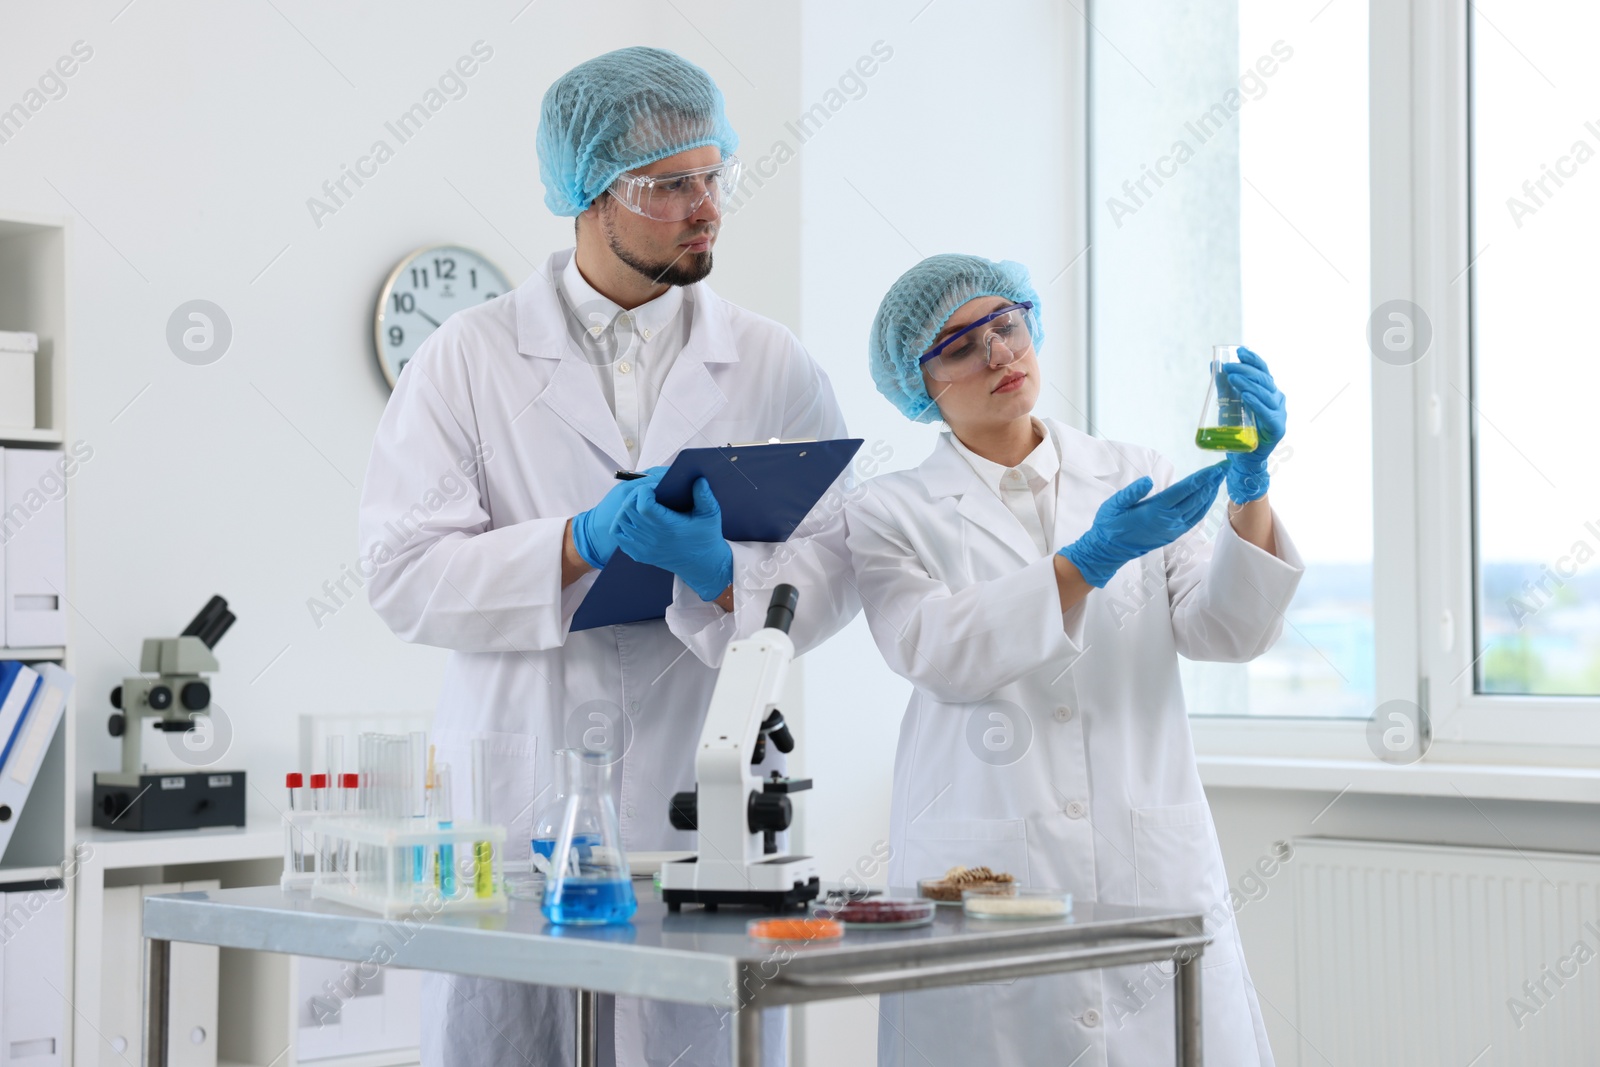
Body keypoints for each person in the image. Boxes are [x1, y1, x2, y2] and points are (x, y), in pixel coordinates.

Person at [358, 47, 857, 1067]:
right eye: (671, 184)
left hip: (699, 792)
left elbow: (842, 564)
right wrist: (573, 545)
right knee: (510, 1035)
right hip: (519, 791)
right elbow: (403, 576)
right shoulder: (468, 356)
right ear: (588, 195)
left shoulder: (770, 364)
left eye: (713, 176)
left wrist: (725, 575)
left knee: (691, 1040)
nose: (707, 205)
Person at [846, 254, 1303, 1066]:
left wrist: (1251, 486)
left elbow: (1225, 632)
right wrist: (1083, 564)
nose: (998, 354)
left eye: (1007, 326)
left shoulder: (1135, 475)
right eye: (960, 346)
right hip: (985, 874)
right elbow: (938, 648)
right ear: (919, 387)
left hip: (1147, 862)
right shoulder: (891, 511)